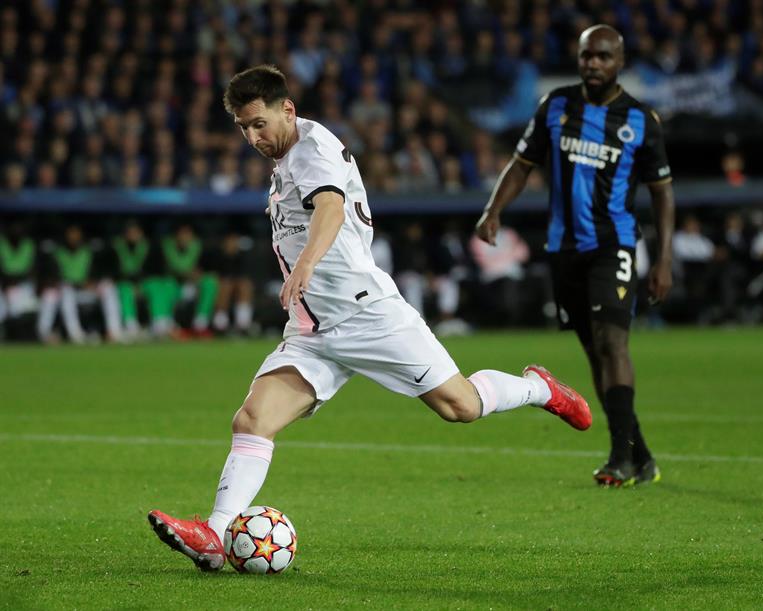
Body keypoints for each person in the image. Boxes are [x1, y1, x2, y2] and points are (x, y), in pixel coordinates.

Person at [147, 64, 592, 572]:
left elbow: (331, 208)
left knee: (461, 406)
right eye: (243, 128)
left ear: (287, 109)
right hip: (313, 330)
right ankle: (215, 532)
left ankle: (539, 388)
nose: (252, 137)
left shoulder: (311, 149)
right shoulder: (286, 158)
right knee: (251, 420)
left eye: (259, 124)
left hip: (368, 314)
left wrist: (307, 264)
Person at [476, 25, 675, 488]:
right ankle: (640, 455)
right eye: (587, 56)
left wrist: (663, 259)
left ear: (619, 61)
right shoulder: (556, 106)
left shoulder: (641, 120)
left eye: (603, 57)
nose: (593, 64)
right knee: (594, 354)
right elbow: (522, 164)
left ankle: (619, 460)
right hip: (564, 250)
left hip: (615, 244)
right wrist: (494, 209)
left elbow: (663, 193)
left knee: (613, 345)